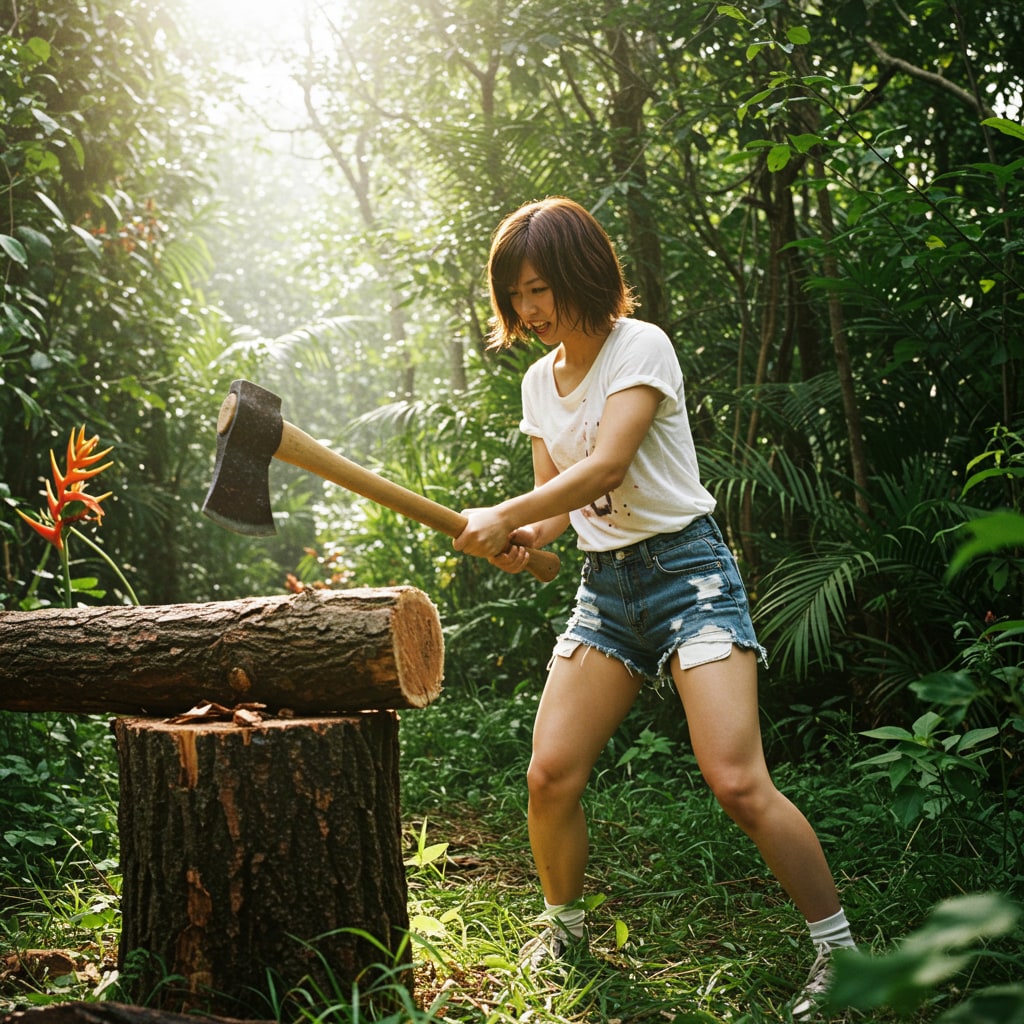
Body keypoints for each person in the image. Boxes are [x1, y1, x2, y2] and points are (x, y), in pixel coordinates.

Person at [453, 196, 855, 1018]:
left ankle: (841, 953)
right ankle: (563, 928)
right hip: (606, 592)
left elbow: (605, 467)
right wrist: (521, 535)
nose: (527, 310)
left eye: (539, 289)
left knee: (738, 782)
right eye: (515, 295)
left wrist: (503, 515)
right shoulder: (539, 380)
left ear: (580, 273)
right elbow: (555, 505)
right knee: (549, 775)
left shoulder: (642, 346)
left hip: (689, 576)